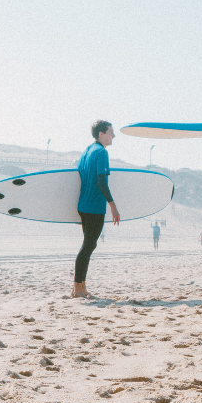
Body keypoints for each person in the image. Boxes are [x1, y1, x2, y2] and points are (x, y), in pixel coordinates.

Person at [73, 120, 120, 298]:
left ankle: (81, 287)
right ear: (101, 133)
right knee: (88, 246)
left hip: (83, 205)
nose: (113, 136)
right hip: (94, 206)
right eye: (111, 132)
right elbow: (101, 181)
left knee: (88, 245)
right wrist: (113, 206)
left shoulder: (87, 151)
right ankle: (77, 288)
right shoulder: (101, 152)